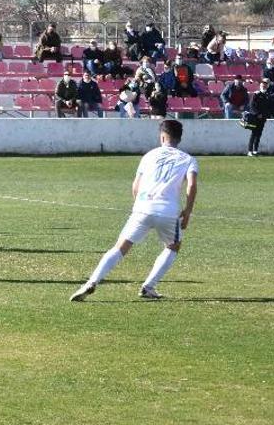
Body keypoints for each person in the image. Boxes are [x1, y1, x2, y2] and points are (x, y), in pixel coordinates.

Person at [71, 120, 197, 301]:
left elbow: (135, 186)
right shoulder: (188, 159)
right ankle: (149, 286)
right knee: (173, 246)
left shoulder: (149, 156)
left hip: (142, 207)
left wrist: (138, 207)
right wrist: (187, 212)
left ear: (162, 136)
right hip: (168, 211)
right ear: (180, 139)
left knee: (120, 247)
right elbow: (191, 186)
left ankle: (91, 282)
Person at [242, 84, 274, 156]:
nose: (264, 88)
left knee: (259, 135)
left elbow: (269, 108)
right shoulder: (256, 95)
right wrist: (257, 114)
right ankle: (249, 151)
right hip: (255, 118)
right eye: (263, 87)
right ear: (260, 87)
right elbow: (252, 106)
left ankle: (255, 151)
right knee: (254, 134)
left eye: (265, 87)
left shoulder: (267, 96)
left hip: (263, 118)